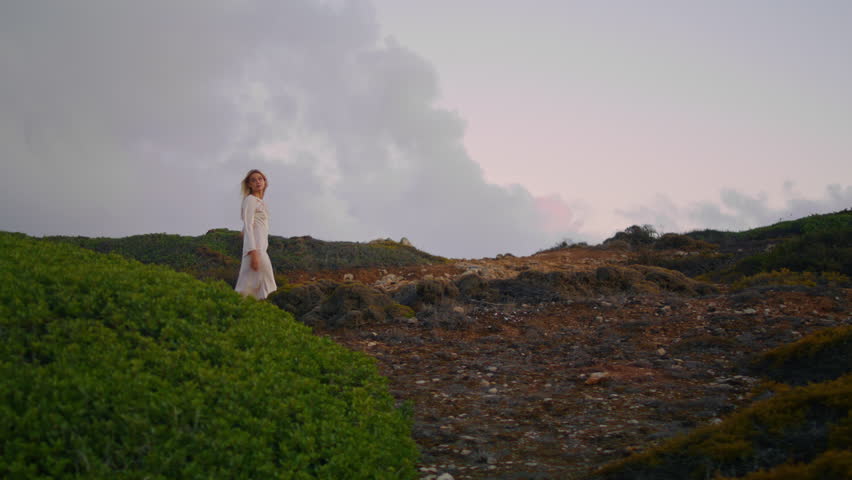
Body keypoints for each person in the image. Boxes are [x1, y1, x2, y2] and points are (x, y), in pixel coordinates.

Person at [234, 169, 277, 299]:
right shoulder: (250, 200)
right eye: (253, 180)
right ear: (249, 185)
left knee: (247, 289)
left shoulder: (261, 202)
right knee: (269, 287)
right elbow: (248, 225)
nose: (258, 182)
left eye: (260, 179)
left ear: (265, 182)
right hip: (256, 251)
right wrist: (253, 252)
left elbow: (248, 227)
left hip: (260, 250)